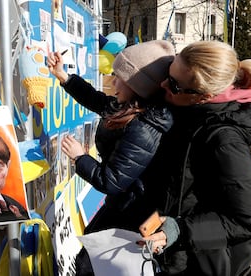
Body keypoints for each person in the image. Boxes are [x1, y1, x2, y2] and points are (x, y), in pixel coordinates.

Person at [140, 41, 251, 276]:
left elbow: (246, 219)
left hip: (198, 260)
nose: (163, 85)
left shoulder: (225, 140)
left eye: (173, 84)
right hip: (171, 252)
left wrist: (178, 230)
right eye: (168, 71)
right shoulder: (188, 111)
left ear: (205, 96)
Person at [47, 40, 175, 275]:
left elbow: (113, 181)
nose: (113, 81)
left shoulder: (144, 127)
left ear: (137, 84)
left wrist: (80, 157)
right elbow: (96, 100)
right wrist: (64, 77)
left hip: (132, 216)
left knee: (92, 265)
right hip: (124, 208)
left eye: (119, 76)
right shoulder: (131, 108)